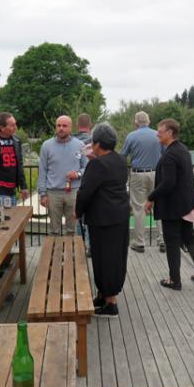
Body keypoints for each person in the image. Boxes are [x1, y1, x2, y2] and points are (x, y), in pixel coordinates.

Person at [145, 118, 194, 291]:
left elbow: (168, 183)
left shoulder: (170, 155)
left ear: (170, 133)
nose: (157, 133)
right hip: (187, 203)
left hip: (174, 207)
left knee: (172, 242)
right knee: (189, 237)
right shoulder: (183, 150)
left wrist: (150, 198)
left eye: (160, 130)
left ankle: (175, 281)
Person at [75, 123, 130, 317]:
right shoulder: (121, 160)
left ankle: (110, 304)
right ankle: (103, 295)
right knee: (114, 258)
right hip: (120, 217)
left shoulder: (97, 165)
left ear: (97, 144)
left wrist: (77, 211)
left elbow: (85, 193)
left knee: (104, 260)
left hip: (103, 220)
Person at [120, 111, 164, 253]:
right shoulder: (158, 135)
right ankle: (163, 240)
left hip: (138, 174)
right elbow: (165, 153)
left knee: (139, 208)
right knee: (160, 206)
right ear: (149, 121)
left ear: (136, 123)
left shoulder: (131, 136)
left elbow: (123, 156)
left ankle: (139, 242)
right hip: (157, 173)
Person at [38, 115, 88, 235]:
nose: (61, 128)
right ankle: (54, 253)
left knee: (71, 230)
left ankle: (70, 254)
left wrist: (78, 173)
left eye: (64, 126)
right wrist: (42, 194)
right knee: (54, 230)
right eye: (58, 125)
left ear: (71, 128)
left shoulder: (80, 145)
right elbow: (42, 171)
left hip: (73, 193)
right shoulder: (46, 146)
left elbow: (87, 167)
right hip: (53, 193)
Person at [74, 113, 93, 251]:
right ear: (90, 125)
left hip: (74, 183)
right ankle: (89, 246)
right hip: (90, 183)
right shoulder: (94, 142)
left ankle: (79, 246)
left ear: (77, 125)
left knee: (77, 216)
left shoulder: (72, 141)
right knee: (90, 217)